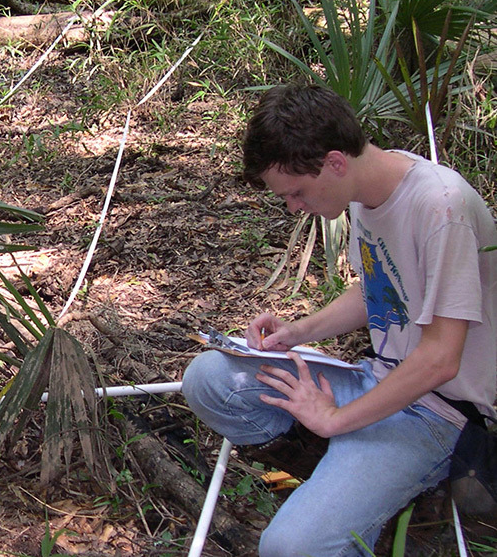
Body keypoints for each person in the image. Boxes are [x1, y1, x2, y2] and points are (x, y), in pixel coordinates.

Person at [182, 84, 497, 556]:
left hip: (437, 412)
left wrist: (335, 420)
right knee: (209, 379)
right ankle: (344, 471)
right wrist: (299, 332)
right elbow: (378, 290)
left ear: (334, 162)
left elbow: (440, 360)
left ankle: (387, 480)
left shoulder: (440, 206)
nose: (292, 207)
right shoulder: (368, 191)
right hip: (374, 376)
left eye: (297, 193)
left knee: (289, 548)